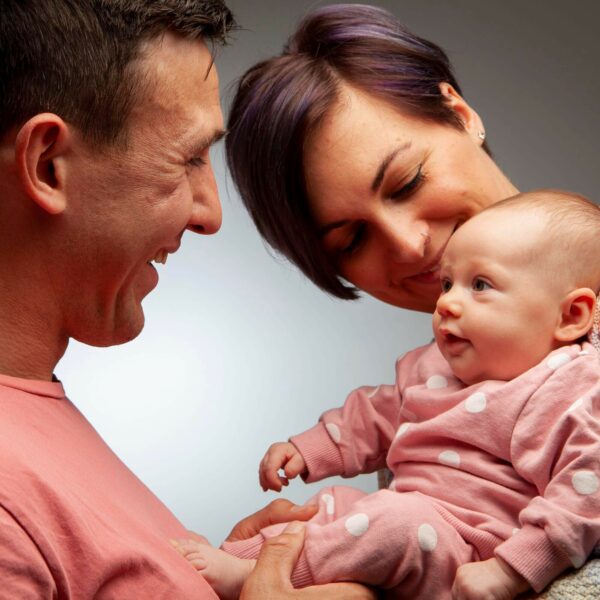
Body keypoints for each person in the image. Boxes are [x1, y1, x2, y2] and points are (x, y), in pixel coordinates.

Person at [0, 2, 377, 598]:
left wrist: (212, 576)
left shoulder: (33, 418)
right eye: (189, 158)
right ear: (48, 166)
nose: (211, 214)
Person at [222, 4, 600, 596]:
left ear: (460, 111)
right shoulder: (445, 374)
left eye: (407, 182)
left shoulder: (577, 382)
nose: (409, 245)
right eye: (352, 239)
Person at [175, 190, 600, 599]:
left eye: (481, 285)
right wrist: (308, 448)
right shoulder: (435, 365)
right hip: (403, 516)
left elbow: (585, 493)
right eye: (448, 283)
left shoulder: (565, 387)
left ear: (571, 315)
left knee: (393, 523)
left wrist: (510, 571)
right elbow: (375, 413)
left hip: (469, 549)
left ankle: (253, 576)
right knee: (325, 511)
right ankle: (212, 566)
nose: (447, 304)